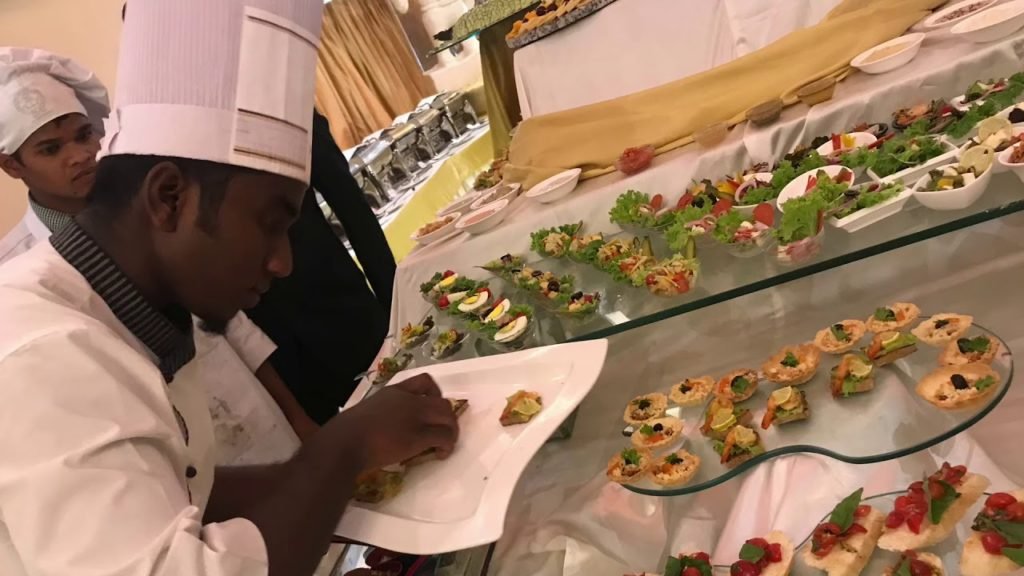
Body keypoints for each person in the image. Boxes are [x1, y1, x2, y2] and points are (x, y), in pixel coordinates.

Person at [0, 3, 459, 574]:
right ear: (169, 198)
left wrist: (329, 459)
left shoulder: (135, 303)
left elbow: (183, 491)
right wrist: (345, 450)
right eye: (269, 223)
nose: (283, 262)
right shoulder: (41, 352)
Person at [0, 47, 317, 465]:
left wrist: (298, 419)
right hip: (173, 460)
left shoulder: (150, 207)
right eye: (50, 149)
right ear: (12, 166)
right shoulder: (19, 281)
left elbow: (235, 329)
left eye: (83, 135)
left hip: (255, 415)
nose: (78, 155)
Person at [247, 110, 395, 423]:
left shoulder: (289, 110)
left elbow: (354, 211)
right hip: (272, 340)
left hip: (339, 308)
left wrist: (395, 306)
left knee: (400, 400)